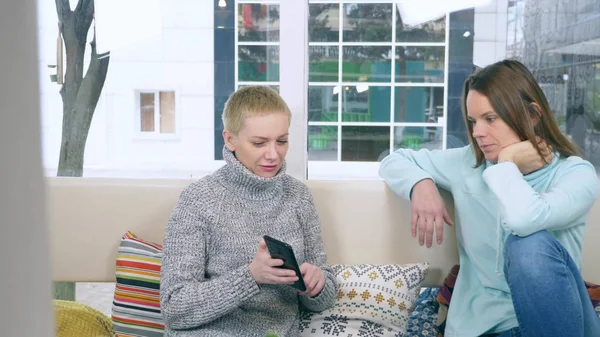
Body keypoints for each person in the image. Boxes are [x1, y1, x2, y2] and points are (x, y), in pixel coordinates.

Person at [379, 59, 600, 337]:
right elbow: (393, 160)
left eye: (490, 119)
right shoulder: (467, 164)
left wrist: (507, 163)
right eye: (473, 121)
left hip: (560, 322)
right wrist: (420, 184)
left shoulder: (575, 174)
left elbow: (524, 219)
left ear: (532, 115)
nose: (477, 132)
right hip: (482, 327)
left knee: (528, 246)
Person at [159, 86, 337, 337]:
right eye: (259, 143)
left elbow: (323, 299)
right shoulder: (198, 199)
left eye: (282, 141)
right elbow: (174, 307)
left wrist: (318, 285)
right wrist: (251, 276)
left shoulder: (298, 197)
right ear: (230, 139)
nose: (273, 154)